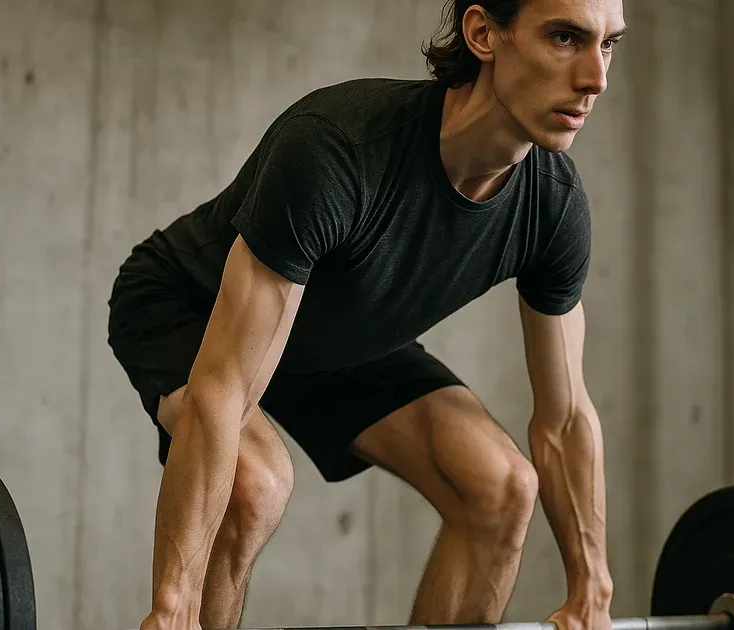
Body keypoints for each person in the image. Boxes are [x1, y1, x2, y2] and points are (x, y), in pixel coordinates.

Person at [106, 0, 626, 628]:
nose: (595, 78)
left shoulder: (554, 207)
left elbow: (565, 416)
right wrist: (172, 605)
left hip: (342, 335)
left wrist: (592, 584)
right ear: (484, 34)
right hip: (190, 304)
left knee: (500, 487)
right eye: (566, 37)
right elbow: (224, 389)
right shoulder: (340, 147)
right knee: (254, 484)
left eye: (608, 45)